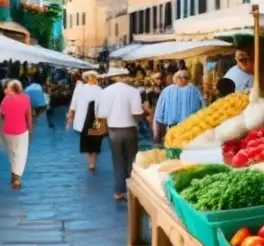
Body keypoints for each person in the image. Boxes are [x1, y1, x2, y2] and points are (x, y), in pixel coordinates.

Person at [96, 67, 143, 201]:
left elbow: (101, 115)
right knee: (131, 160)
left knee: (117, 160)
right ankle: (131, 191)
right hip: (130, 130)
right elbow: (137, 113)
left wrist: (99, 132)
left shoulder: (105, 92)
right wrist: (143, 116)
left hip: (113, 130)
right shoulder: (133, 91)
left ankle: (118, 191)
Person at [0, 80, 33, 189]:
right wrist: (30, 129)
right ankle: (17, 178)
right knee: (21, 154)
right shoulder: (26, 98)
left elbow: (0, 116)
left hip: (8, 131)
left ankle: (13, 173)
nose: (5, 90)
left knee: (12, 153)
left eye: (7, 87)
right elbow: (28, 115)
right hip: (22, 130)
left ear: (11, 89)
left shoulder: (5, 100)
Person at [153, 69, 204, 144]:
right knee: (174, 141)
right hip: (174, 122)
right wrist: (159, 119)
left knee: (186, 142)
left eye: (186, 77)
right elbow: (160, 106)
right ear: (176, 78)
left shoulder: (194, 89)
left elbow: (202, 104)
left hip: (189, 123)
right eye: (180, 77)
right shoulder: (167, 90)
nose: (183, 79)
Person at [68, 70, 103, 171]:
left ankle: (92, 160)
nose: (93, 79)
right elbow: (74, 102)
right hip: (86, 117)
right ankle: (91, 161)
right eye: (91, 77)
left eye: (94, 77)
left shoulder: (99, 89)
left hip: (95, 116)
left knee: (95, 139)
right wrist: (71, 114)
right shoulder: (82, 88)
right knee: (90, 139)